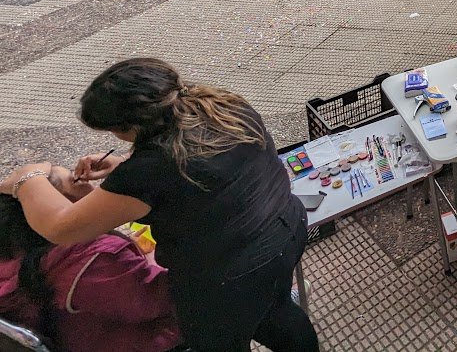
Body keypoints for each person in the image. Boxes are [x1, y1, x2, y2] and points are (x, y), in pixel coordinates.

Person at [0, 59, 319, 352]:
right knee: (276, 311)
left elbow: (59, 226)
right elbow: (208, 166)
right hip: (285, 230)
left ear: (132, 127)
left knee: (218, 342)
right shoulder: (221, 105)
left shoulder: (148, 172)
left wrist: (28, 177)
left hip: (228, 277)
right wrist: (121, 165)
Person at [0, 168, 181, 352]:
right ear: (59, 204)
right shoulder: (96, 261)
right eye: (76, 180)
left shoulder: (16, 246)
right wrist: (154, 258)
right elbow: (170, 300)